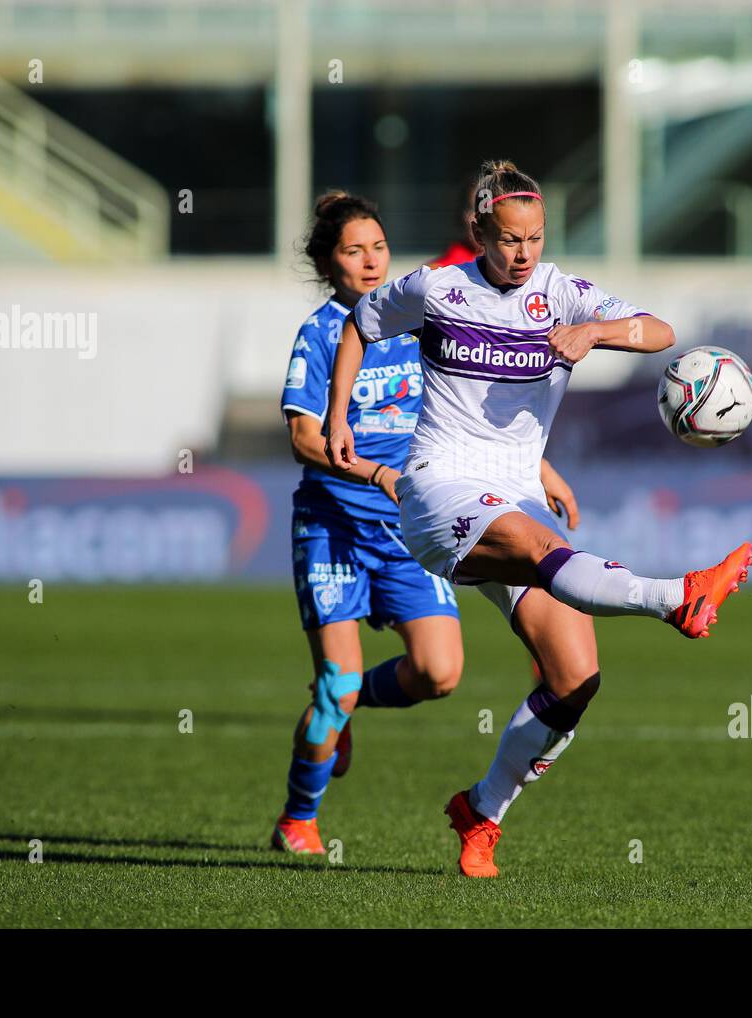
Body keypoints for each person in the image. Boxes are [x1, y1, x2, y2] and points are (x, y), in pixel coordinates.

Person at [324, 161, 752, 877]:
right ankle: (676, 597)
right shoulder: (438, 288)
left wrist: (597, 333)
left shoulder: (562, 294)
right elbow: (360, 326)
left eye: (535, 238)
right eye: (509, 239)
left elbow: (660, 331)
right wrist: (338, 414)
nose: (523, 253)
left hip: (516, 496)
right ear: (479, 232)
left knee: (575, 677)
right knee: (536, 544)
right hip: (436, 490)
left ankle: (481, 812)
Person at [272, 189, 580, 855]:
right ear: (329, 264)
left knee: (439, 673)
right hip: (336, 528)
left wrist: (541, 467)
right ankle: (298, 818)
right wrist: (376, 474)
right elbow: (302, 435)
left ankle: (350, 707)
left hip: (415, 525)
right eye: (354, 251)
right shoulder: (322, 334)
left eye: (378, 247)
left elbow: (468, 408)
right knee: (338, 681)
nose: (371, 261)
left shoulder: (416, 319)